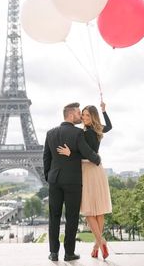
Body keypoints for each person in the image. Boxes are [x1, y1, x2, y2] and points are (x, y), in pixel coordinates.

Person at [43, 102, 101, 262]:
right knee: (72, 217)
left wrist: (49, 177)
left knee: (53, 217)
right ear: (70, 114)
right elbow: (87, 152)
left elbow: (46, 158)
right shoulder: (77, 133)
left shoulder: (50, 133)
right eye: (77, 113)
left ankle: (53, 253)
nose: (80, 116)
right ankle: (69, 253)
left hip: (54, 180)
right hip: (73, 181)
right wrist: (97, 158)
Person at [57, 101, 112, 260]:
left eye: (87, 115)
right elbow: (109, 126)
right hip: (98, 169)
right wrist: (104, 111)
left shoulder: (85, 133)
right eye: (83, 114)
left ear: (92, 117)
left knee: (88, 210)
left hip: (87, 170)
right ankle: (97, 245)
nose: (84, 117)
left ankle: (101, 242)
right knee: (99, 210)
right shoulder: (97, 129)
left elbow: (85, 153)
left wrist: (70, 153)